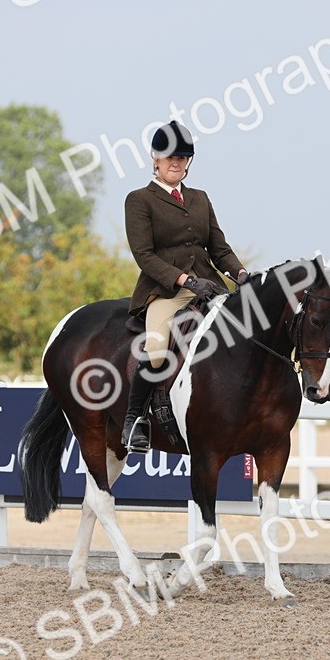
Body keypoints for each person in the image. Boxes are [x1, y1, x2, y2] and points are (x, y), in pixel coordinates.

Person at [121, 121, 249, 452]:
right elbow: (144, 256)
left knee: (245, 333)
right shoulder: (139, 200)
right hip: (165, 290)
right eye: (169, 157)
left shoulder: (200, 198)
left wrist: (240, 274)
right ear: (155, 160)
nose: (175, 163)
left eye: (182, 157)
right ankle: (135, 420)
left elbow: (218, 247)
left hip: (209, 286)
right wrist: (185, 280)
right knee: (158, 346)